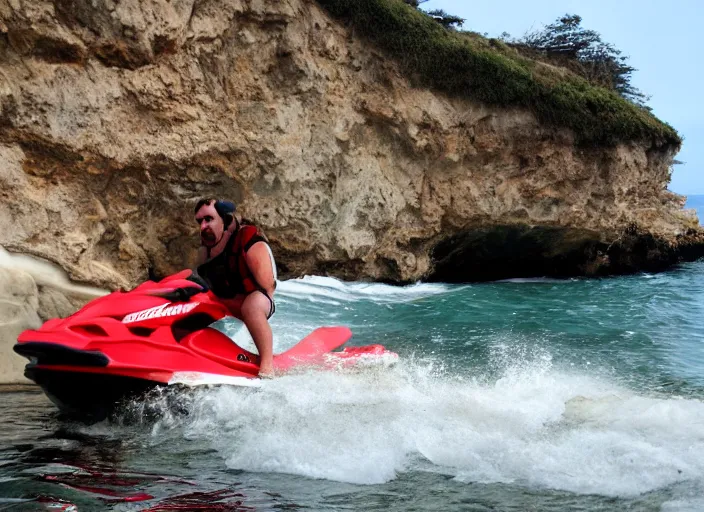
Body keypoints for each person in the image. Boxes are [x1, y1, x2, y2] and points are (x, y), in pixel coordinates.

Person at [193, 198, 277, 377]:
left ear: (225, 219)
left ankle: (267, 365)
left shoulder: (251, 242)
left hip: (256, 299)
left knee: (251, 307)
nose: (203, 226)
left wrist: (247, 309)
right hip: (224, 299)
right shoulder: (205, 251)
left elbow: (268, 286)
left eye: (209, 219)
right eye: (200, 221)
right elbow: (194, 280)